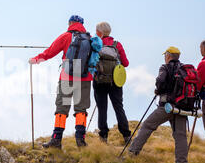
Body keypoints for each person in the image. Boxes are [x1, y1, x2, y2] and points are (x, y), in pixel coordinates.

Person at [29, 15, 92, 149]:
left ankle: (56, 139)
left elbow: (50, 52)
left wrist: (35, 60)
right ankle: (80, 140)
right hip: (85, 78)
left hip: (67, 77)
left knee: (61, 109)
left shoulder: (65, 36)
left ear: (70, 23)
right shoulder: (90, 39)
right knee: (81, 109)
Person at [128, 47, 188, 163]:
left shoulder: (165, 67)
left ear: (168, 56)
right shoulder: (185, 69)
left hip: (166, 106)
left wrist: (158, 90)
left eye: (165, 55)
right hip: (182, 107)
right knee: (180, 135)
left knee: (148, 125)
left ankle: (132, 153)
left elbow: (160, 80)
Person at [93, 22, 131, 144]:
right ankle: (126, 135)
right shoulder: (117, 45)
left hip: (99, 81)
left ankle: (103, 136)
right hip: (115, 81)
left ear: (99, 32)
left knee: (102, 109)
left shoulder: (95, 44)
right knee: (119, 107)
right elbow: (126, 63)